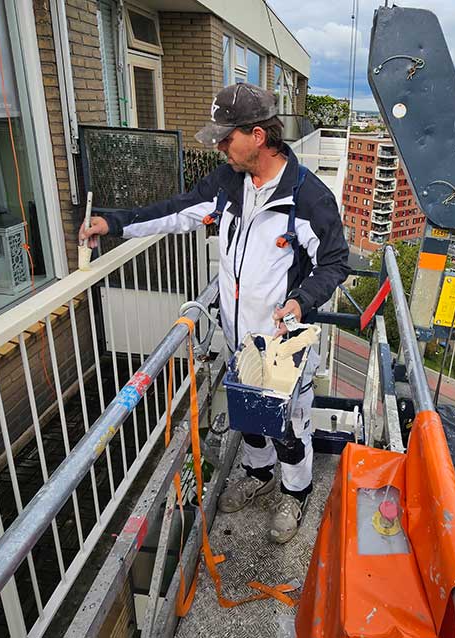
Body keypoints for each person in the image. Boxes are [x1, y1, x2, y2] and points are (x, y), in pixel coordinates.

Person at [80, 83, 350, 543]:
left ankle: (295, 492)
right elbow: (178, 211)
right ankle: (260, 477)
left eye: (227, 137)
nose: (221, 146)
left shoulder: (308, 198)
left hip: (283, 346)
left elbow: (334, 262)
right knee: (248, 418)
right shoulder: (228, 185)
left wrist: (300, 300)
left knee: (289, 425)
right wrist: (115, 222)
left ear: (259, 136)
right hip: (237, 336)